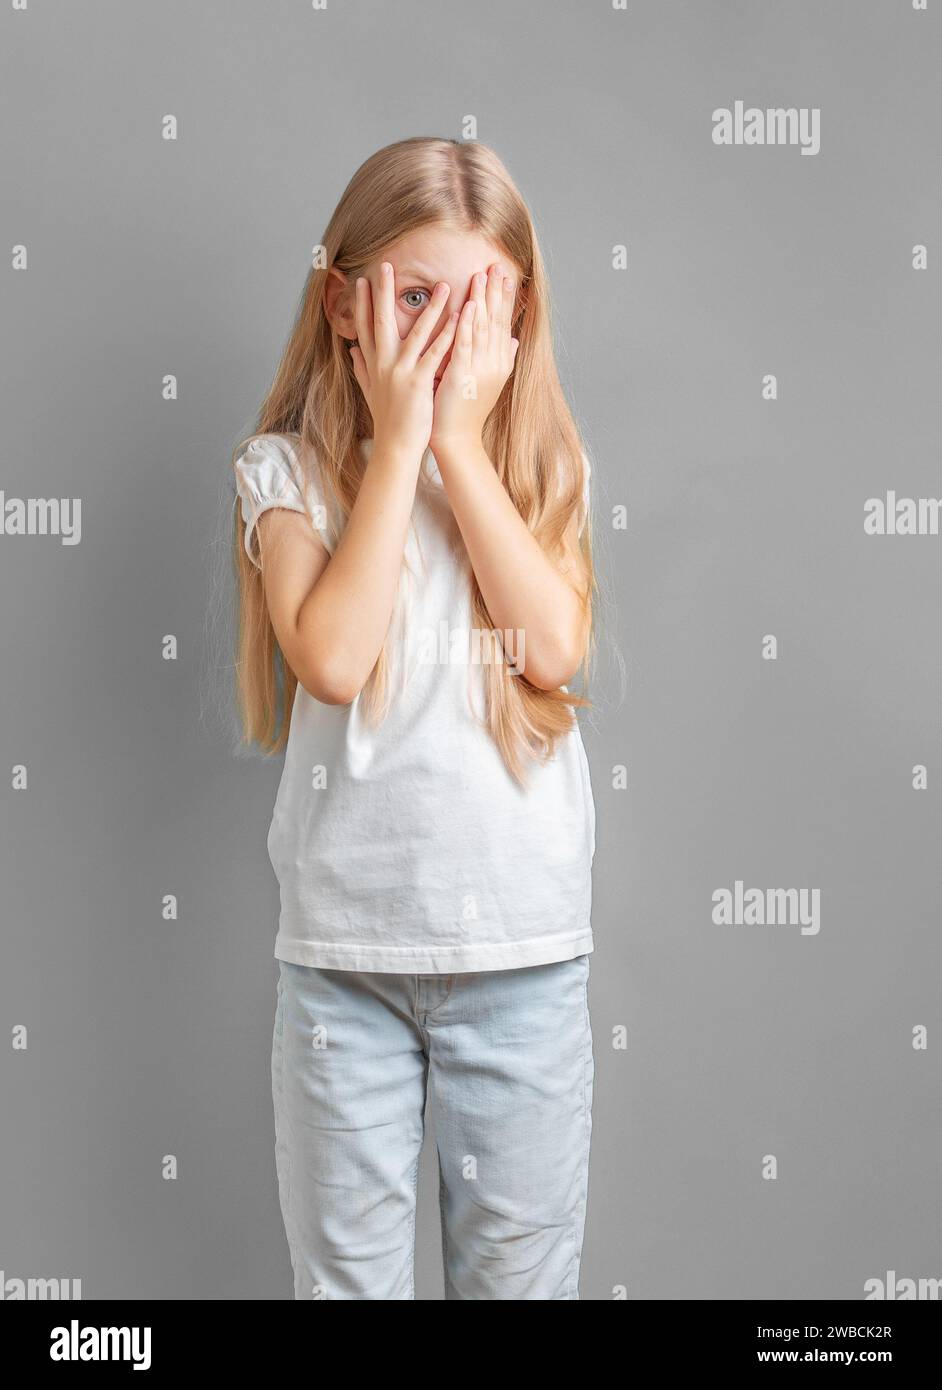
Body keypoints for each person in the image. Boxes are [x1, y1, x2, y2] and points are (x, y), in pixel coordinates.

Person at [231, 136, 597, 1300]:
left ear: (520, 314)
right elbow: (333, 658)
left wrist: (455, 445)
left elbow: (550, 648)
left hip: (522, 958)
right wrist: (399, 445)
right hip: (346, 965)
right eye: (414, 299)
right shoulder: (285, 475)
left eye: (473, 303)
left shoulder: (537, 466)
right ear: (344, 306)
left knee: (518, 1281)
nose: (443, 335)